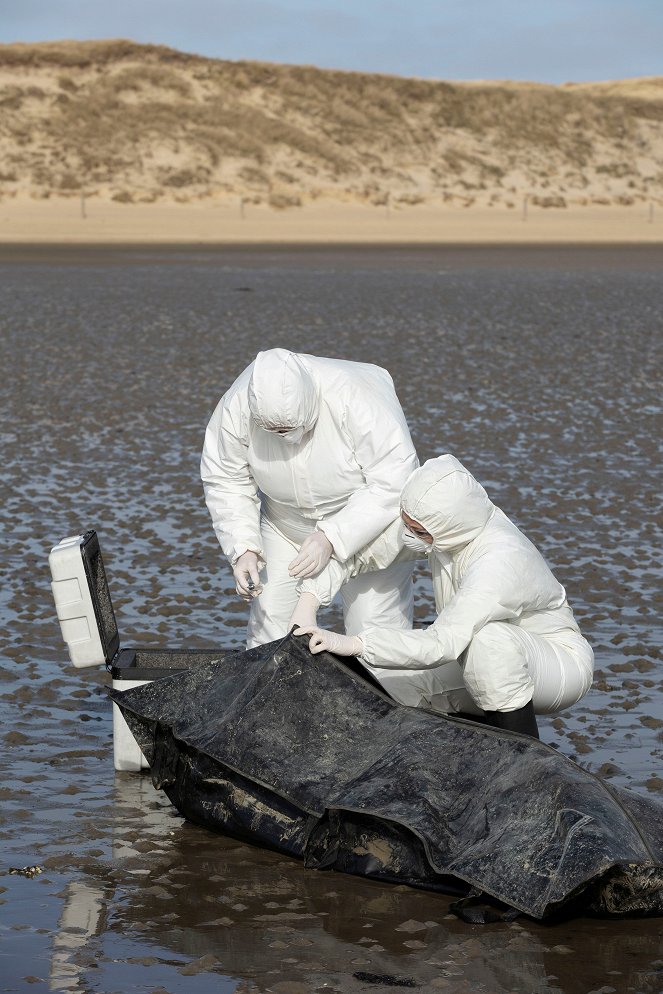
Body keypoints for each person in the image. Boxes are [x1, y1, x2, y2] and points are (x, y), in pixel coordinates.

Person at [293, 453, 594, 738]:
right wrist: (308, 603)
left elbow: (442, 643)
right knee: (387, 687)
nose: (409, 535)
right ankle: (472, 745)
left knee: (490, 643)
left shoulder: (500, 560)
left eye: (418, 531)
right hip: (473, 657)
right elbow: (357, 555)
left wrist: (354, 643)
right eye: (406, 523)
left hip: (557, 666)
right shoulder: (440, 528)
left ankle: (526, 765)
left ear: (448, 525)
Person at [201, 348, 419, 648]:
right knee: (271, 627)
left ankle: (387, 692)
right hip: (284, 526)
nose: (282, 436)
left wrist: (331, 536)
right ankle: (273, 695)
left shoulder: (358, 395)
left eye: (289, 429)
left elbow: (395, 482)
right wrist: (243, 549)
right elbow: (225, 478)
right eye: (271, 430)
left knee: (375, 631)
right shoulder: (236, 404)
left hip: (369, 528)